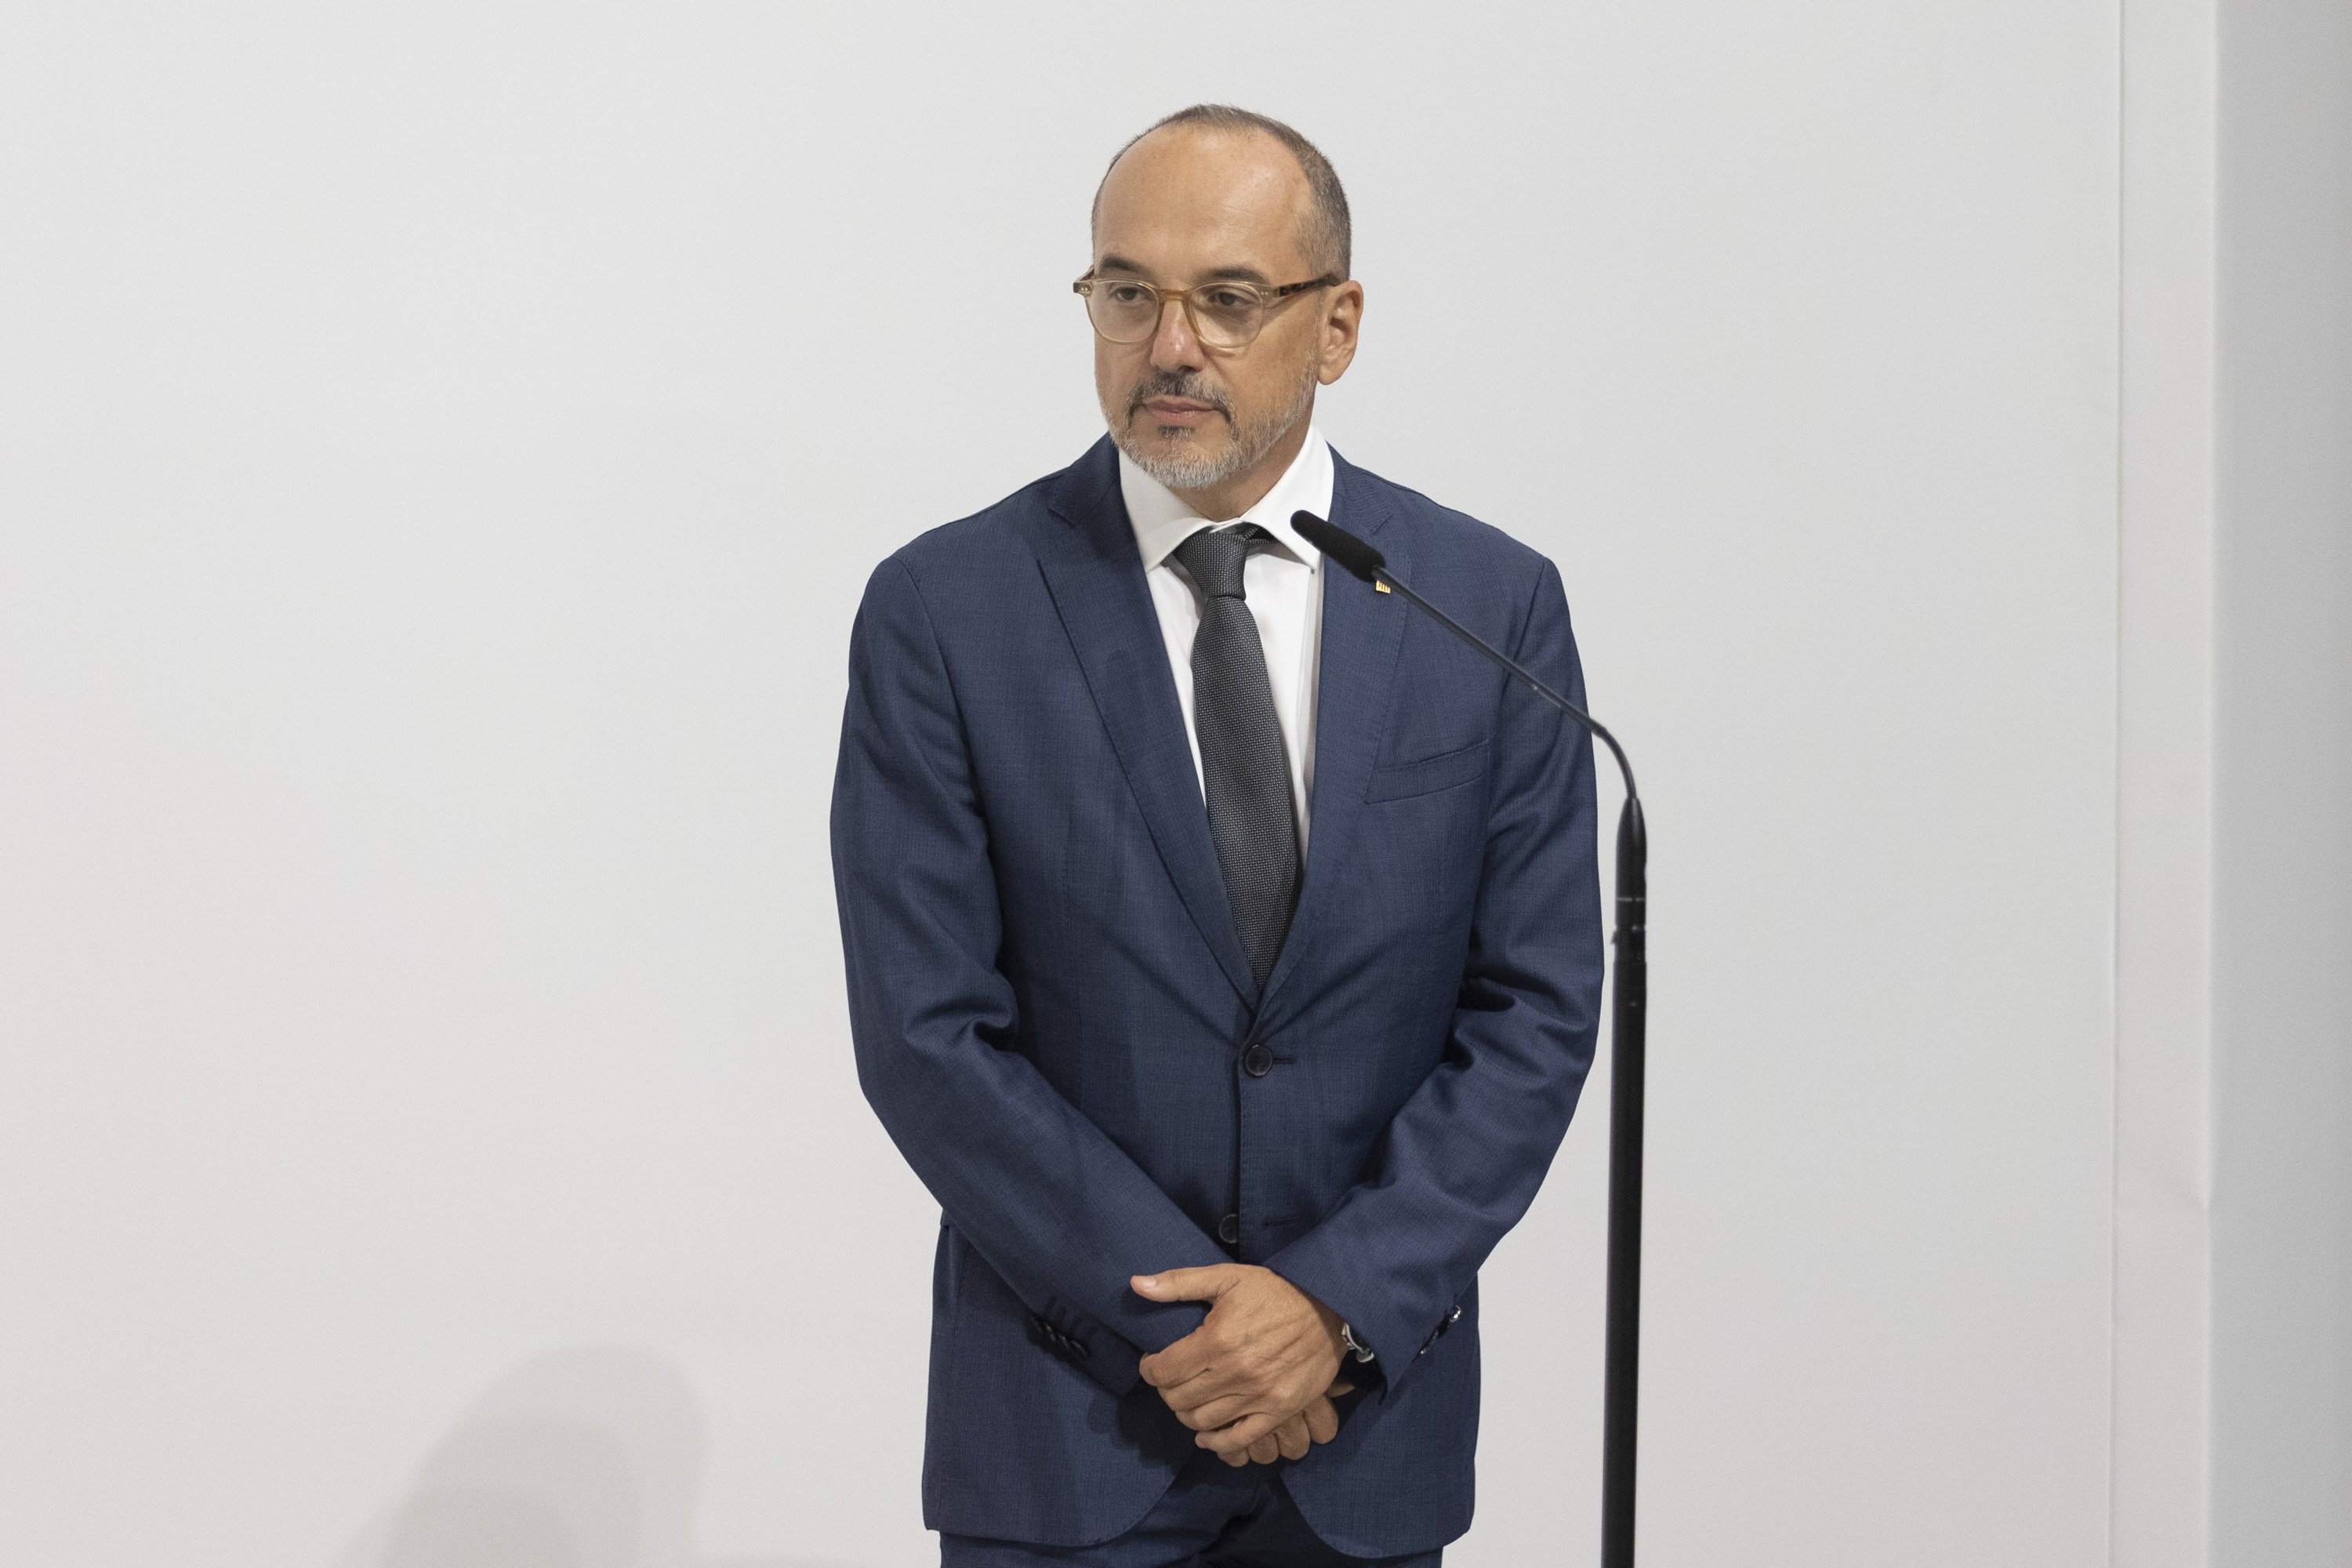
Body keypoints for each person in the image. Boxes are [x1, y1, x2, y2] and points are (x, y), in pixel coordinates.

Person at [830, 103, 1604, 1566]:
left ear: (1338, 326)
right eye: (1128, 293)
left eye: (1229, 299)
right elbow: (927, 1035)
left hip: (1364, 1426)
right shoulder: (947, 610)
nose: (1169, 345)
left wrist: (1331, 1308)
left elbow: (1536, 1009)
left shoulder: (1483, 605)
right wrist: (1198, 1331)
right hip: (1069, 1428)